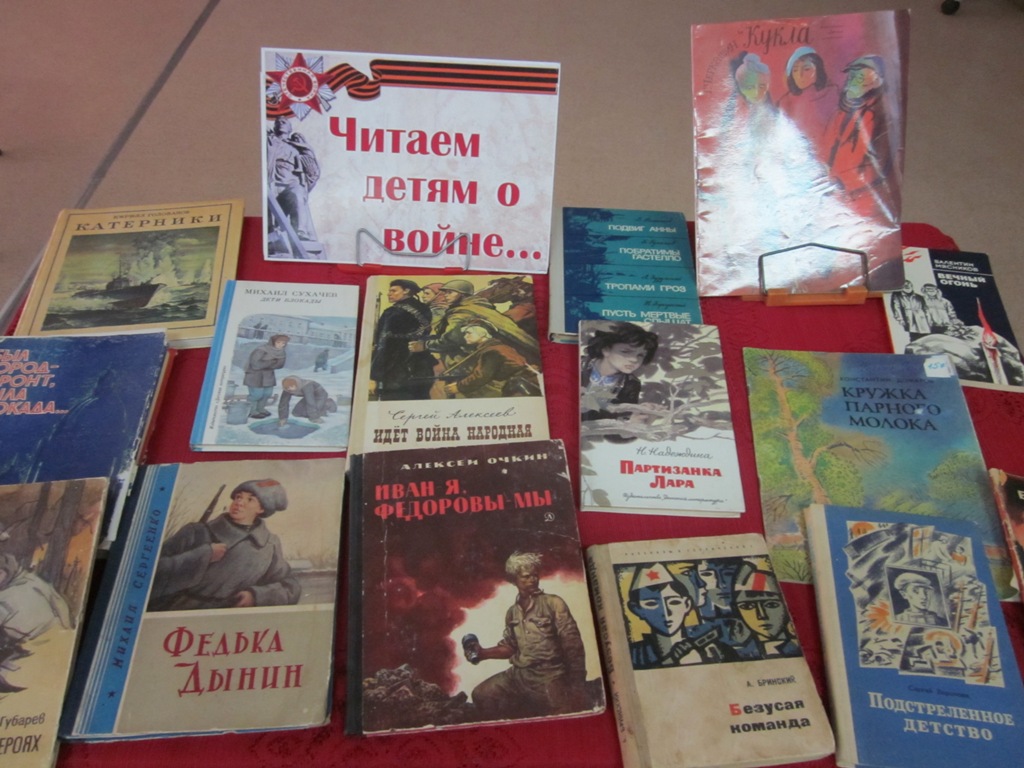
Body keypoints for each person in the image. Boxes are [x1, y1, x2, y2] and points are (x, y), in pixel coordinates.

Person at [463, 552, 589, 719]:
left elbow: (572, 644)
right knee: (481, 694)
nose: (533, 580)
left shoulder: (554, 603)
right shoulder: (512, 612)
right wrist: (482, 653)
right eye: (526, 576)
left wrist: (577, 684)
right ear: (514, 579)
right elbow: (511, 647)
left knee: (562, 714)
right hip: (519, 675)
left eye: (535, 575)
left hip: (550, 675)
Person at [149, 479, 300, 611]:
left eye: (250, 500)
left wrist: (256, 596)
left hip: (230, 621)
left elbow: (290, 586)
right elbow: (151, 571)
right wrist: (204, 555)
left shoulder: (269, 544)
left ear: (261, 509)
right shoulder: (196, 532)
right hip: (181, 612)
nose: (239, 502)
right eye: (238, 497)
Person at [625, 562, 735, 668]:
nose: (666, 612)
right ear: (636, 609)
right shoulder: (632, 654)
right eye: (651, 604)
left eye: (674, 602)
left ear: (687, 604)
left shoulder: (716, 650)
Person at [410, 279, 540, 368]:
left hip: (491, 359)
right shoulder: (479, 306)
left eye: (450, 292)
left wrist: (425, 345)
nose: (446, 296)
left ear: (462, 295)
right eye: (445, 293)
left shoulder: (462, 312)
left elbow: (453, 338)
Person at [822, 55, 894, 204]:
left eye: (860, 78)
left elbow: (879, 166)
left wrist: (844, 184)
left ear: (876, 82)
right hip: (833, 197)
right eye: (852, 77)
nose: (852, 82)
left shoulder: (880, 116)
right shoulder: (841, 112)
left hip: (862, 201)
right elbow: (826, 149)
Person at [580, 322, 659, 431]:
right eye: (626, 351)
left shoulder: (631, 384)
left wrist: (635, 421)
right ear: (606, 349)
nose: (634, 359)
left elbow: (617, 426)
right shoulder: (577, 365)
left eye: (640, 355)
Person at [369, 279, 436, 400]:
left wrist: (374, 376)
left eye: (393, 291)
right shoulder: (425, 309)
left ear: (406, 291)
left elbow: (384, 345)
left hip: (396, 371)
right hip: (422, 368)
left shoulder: (392, 313)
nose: (389, 294)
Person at [266, 116, 322, 256]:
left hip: (292, 181)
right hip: (273, 179)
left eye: (284, 122)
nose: (281, 123)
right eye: (278, 122)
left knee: (297, 193)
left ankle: (300, 232)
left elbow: (313, 171)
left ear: (290, 128)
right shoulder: (270, 141)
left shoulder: (297, 147)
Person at [442, 323, 539, 399]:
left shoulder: (492, 351)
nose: (465, 336)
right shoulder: (497, 346)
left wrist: (459, 387)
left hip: (520, 386)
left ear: (483, 334)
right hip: (524, 382)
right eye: (465, 334)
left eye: (469, 333)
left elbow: (482, 376)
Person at [733, 564, 801, 658]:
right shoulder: (739, 654)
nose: (761, 615)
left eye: (771, 605)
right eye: (747, 606)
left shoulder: (799, 649)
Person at [776, 46, 839, 142]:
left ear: (818, 70)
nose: (800, 75)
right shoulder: (785, 102)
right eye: (795, 70)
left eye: (806, 69)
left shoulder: (832, 95)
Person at [244, 334, 289, 418]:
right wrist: (271, 362)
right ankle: (251, 411)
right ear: (273, 342)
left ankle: (260, 409)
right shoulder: (261, 350)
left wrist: (267, 363)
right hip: (255, 375)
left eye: (283, 343)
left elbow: (280, 365)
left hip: (268, 376)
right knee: (256, 394)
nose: (281, 345)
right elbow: (255, 365)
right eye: (278, 342)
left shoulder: (281, 353)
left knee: (267, 394)